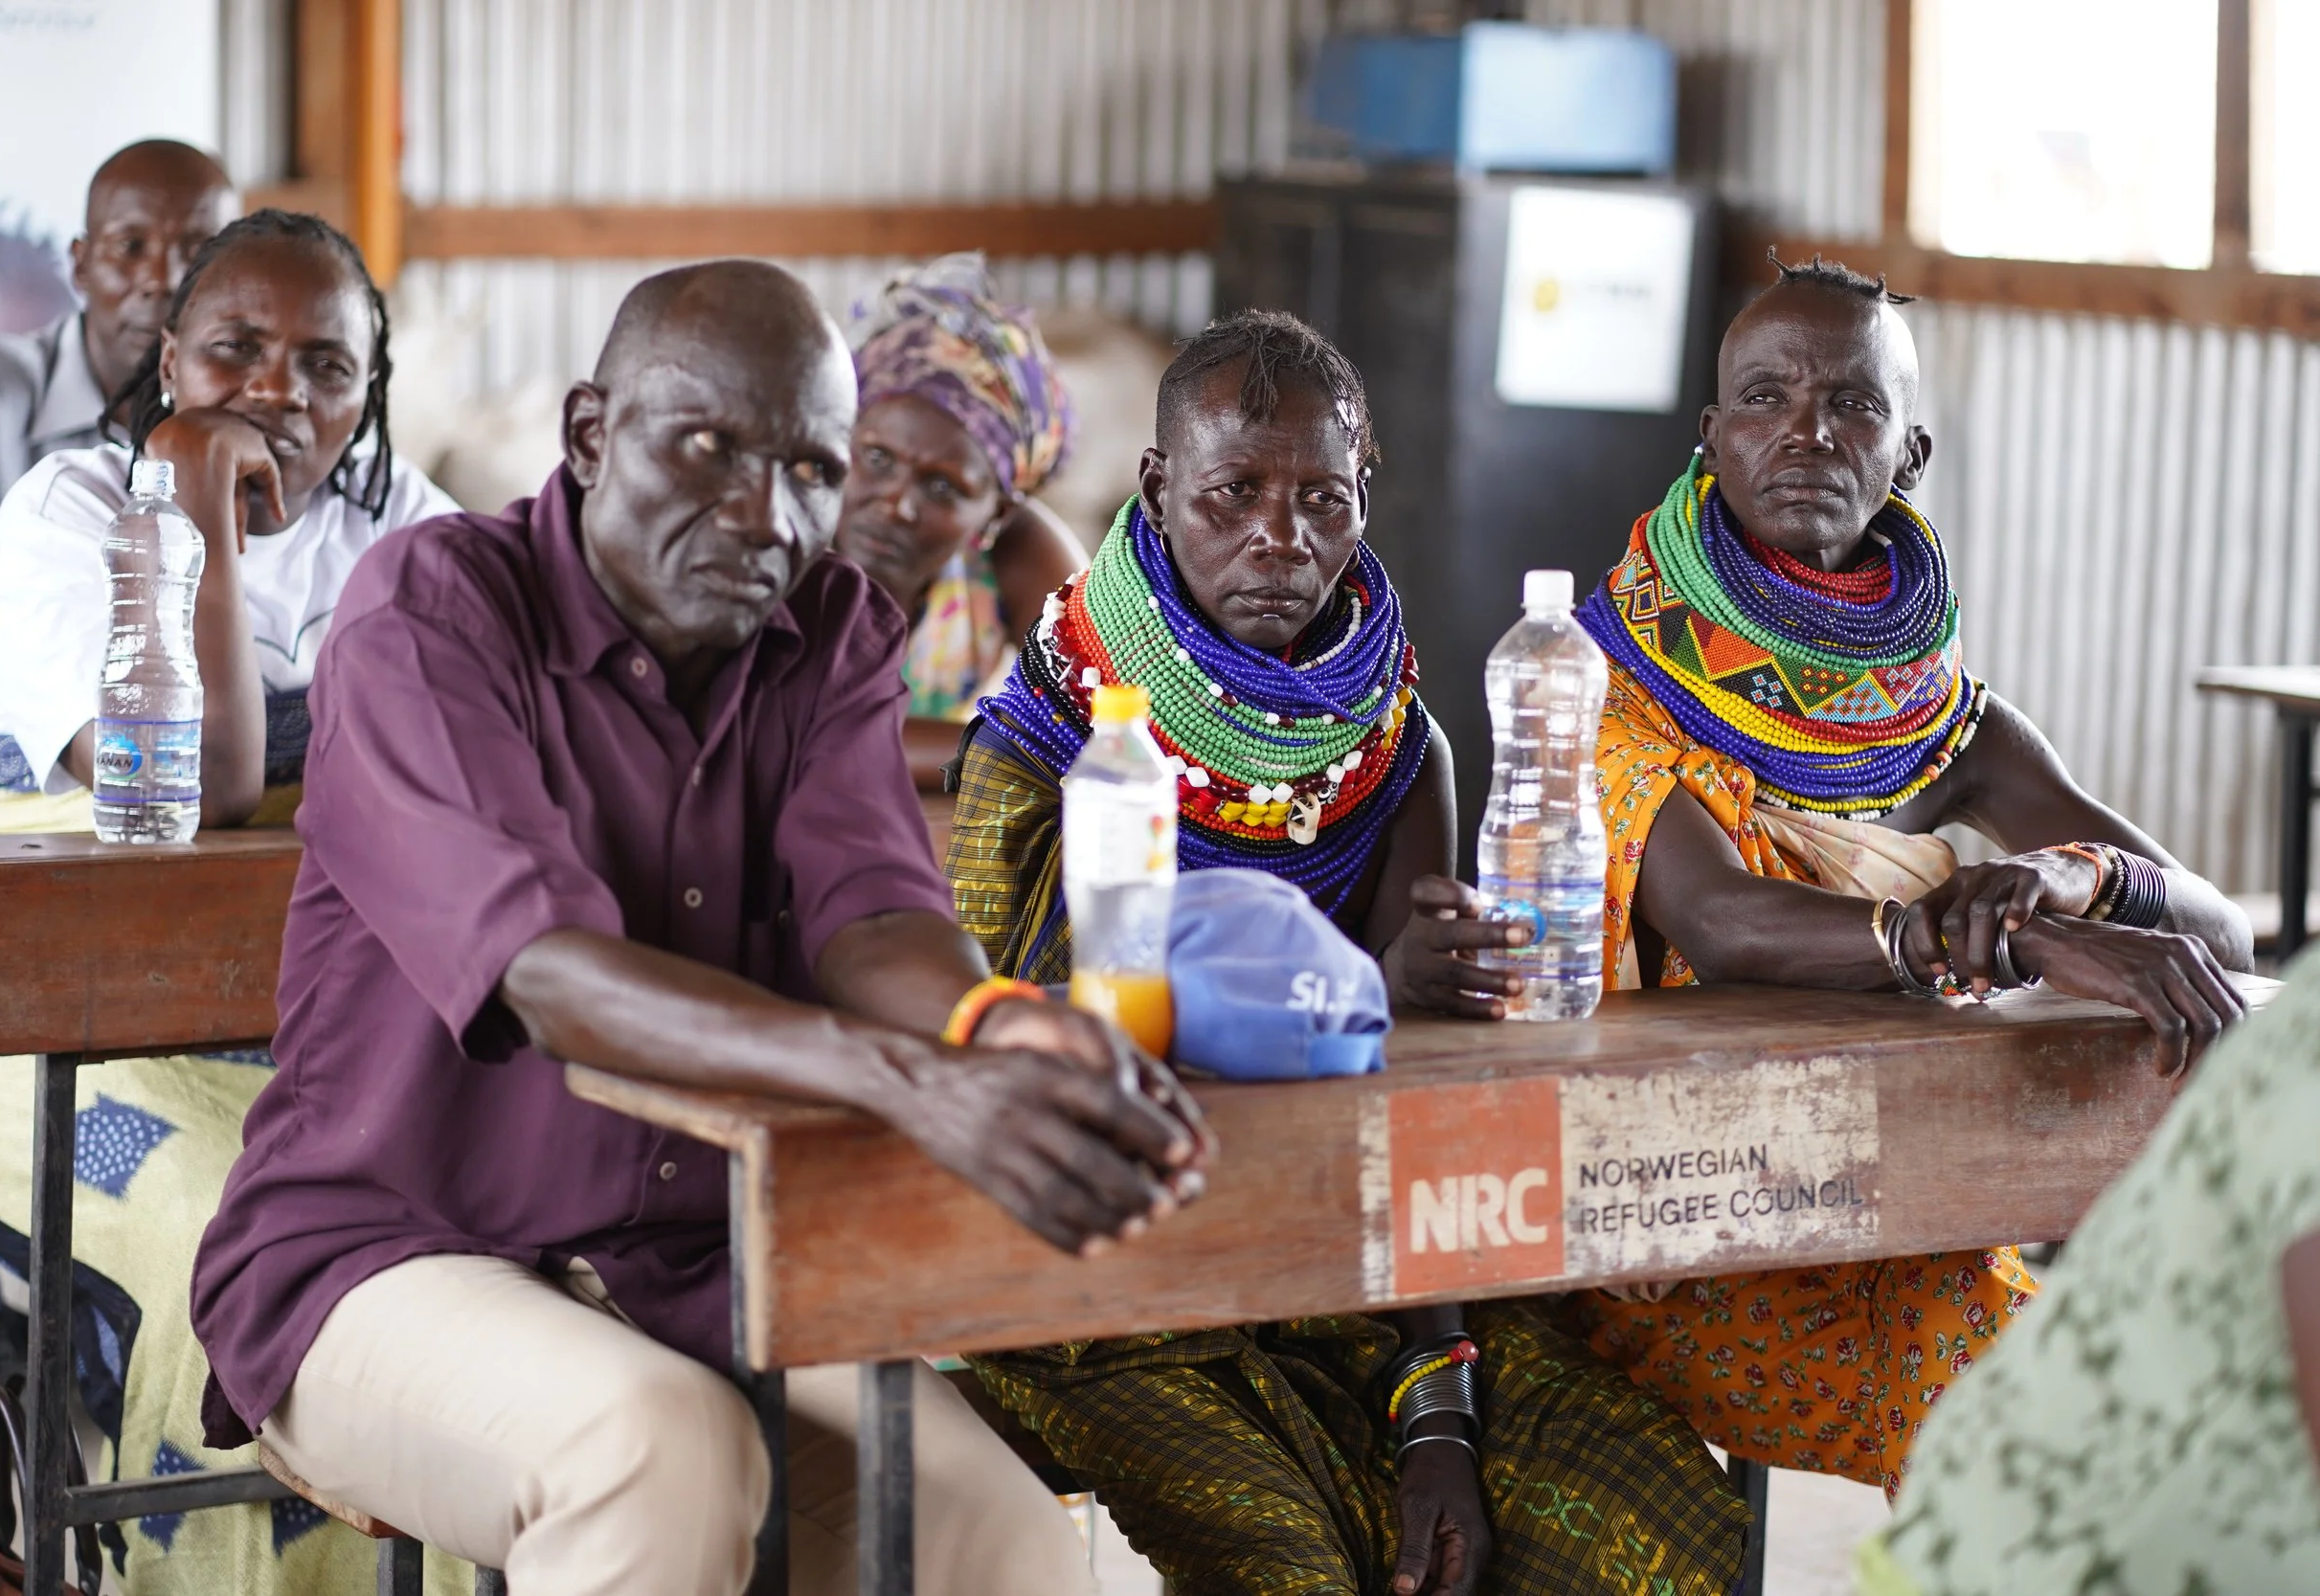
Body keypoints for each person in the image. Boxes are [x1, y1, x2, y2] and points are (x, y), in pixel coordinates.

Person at [189, 259, 1213, 1596]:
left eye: (809, 469)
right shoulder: (430, 611)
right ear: (588, 436)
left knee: (1015, 1545)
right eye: (710, 448)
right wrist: (910, 1077)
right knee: (660, 1453)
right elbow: (548, 975)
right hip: (388, 1247)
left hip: (689, 1268)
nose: (763, 515)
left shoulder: (829, 630)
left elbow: (874, 909)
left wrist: (995, 1024)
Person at [950, 310, 1750, 1596]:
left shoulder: (1395, 753)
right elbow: (1038, 1062)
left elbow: (1410, 1112)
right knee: (1294, 1565)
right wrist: (1367, 985)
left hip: (1360, 1281)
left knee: (1671, 1533)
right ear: (1157, 489)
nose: (1282, 534)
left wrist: (1436, 1398)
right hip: (1105, 1296)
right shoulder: (1043, 749)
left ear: (1367, 490)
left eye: (1324, 496)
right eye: (1234, 493)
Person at [1562, 254, 2254, 1496]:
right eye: (1765, 398)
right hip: (1670, 1232)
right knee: (2011, 1444)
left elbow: (2211, 925)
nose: (1809, 431)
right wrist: (2008, 940)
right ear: (1711, 438)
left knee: (2116, 1441)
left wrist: (2054, 882)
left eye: (1855, 404)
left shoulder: (1942, 721)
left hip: (1908, 1209)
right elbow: (1728, 923)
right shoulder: (1614, 690)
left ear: (1911, 452)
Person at [0, 208, 456, 1590]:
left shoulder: (412, 530)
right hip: (23, 1019)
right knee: (222, 1209)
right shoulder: (69, 508)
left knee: (447, 1193)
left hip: (313, 1009)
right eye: (238, 352)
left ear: (370, 385)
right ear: (169, 363)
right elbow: (195, 787)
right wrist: (198, 492)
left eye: (326, 365)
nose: (281, 391)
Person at [1856, 947, 2320, 1596]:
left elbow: (2217, 931)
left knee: (1954, 1295)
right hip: (2041, 1558)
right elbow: (1723, 927)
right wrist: (2024, 931)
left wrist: (2085, 880)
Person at [0, 140, 236, 678]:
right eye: (130, 246)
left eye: (198, 251)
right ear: (80, 266)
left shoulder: (267, 403)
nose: (163, 279)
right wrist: (134, 670)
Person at [834, 253, 1085, 777]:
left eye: (943, 486)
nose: (896, 505)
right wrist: (1005, 752)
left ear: (998, 511)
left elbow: (1097, 724)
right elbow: (820, 736)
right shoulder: (786, 542)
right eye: (877, 458)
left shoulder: (1018, 558)